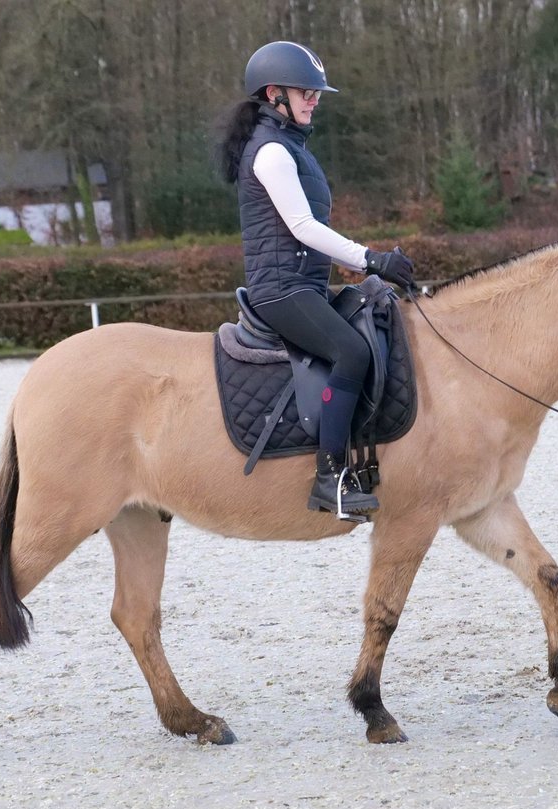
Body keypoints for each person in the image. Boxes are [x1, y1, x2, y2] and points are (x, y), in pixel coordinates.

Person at [215, 40, 416, 519]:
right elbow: (302, 228)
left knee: (373, 315)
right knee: (351, 351)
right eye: (306, 91)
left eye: (316, 91)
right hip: (281, 290)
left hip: (301, 283)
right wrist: (371, 258)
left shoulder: (291, 146)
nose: (315, 98)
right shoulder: (271, 154)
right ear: (274, 94)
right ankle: (331, 478)